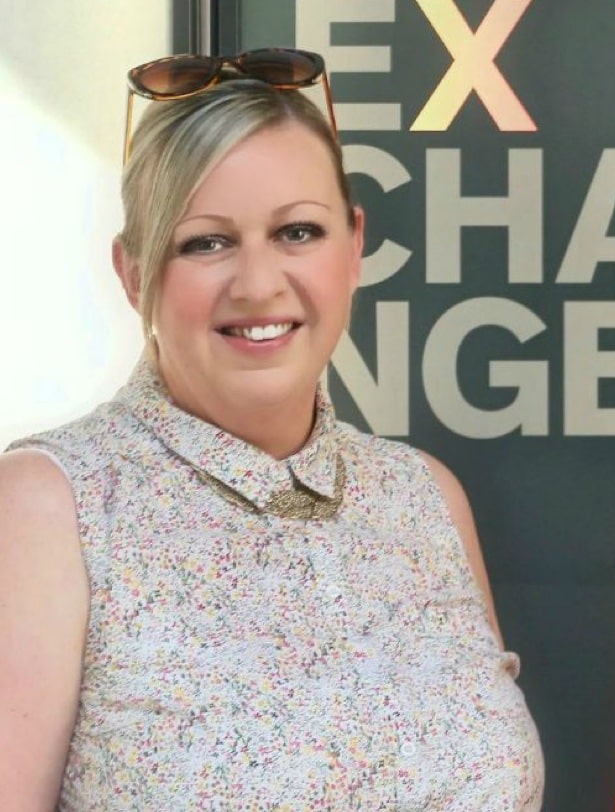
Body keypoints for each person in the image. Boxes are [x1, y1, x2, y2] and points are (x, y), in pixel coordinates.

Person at [0, 49, 542, 809]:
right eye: (206, 242)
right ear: (133, 273)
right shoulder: (50, 507)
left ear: (353, 246)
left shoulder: (424, 497)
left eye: (297, 231)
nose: (258, 284)